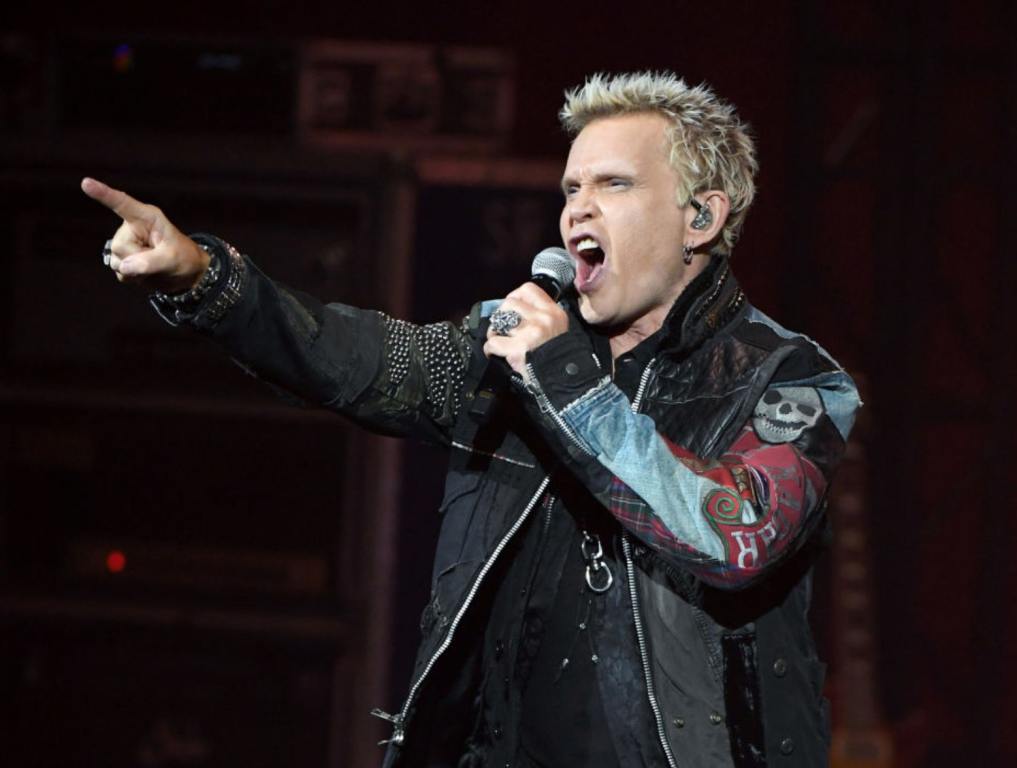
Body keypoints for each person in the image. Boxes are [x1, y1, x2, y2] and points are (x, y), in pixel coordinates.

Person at [83, 71, 859, 767]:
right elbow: (360, 360)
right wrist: (207, 280)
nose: (576, 211)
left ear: (700, 217)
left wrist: (564, 379)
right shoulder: (510, 348)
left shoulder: (788, 378)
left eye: (613, 185)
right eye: (569, 189)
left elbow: (734, 537)